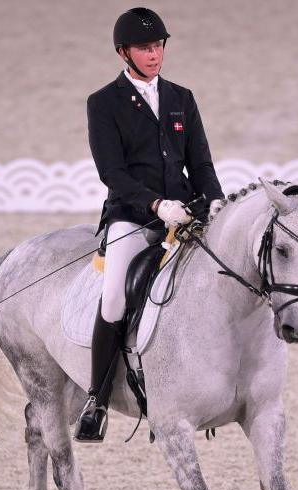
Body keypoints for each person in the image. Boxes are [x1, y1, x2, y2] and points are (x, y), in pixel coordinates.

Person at [74, 7, 225, 443]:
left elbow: (201, 162)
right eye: (144, 47)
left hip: (185, 213)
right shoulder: (104, 103)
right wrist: (156, 204)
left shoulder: (182, 97)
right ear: (124, 52)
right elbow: (112, 172)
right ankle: (96, 400)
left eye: (158, 45)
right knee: (116, 299)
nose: (154, 53)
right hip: (132, 216)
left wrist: (214, 202)